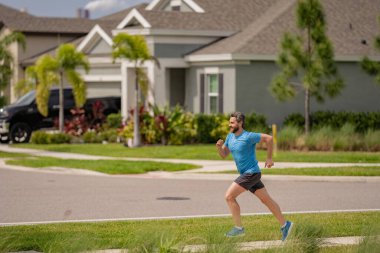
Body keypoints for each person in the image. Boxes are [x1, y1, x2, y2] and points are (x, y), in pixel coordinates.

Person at [216, 111, 293, 240]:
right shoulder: (230, 137)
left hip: (251, 173)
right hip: (249, 174)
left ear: (240, 123)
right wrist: (219, 147)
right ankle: (285, 225)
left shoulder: (248, 136)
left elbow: (269, 138)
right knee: (266, 200)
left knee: (229, 196)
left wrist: (269, 158)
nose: (230, 125)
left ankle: (238, 229)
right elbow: (224, 154)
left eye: (232, 122)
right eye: (229, 122)